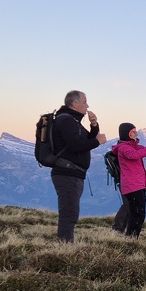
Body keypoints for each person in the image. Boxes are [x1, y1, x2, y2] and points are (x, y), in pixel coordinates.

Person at [50, 90, 107, 242]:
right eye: (84, 102)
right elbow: (75, 146)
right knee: (69, 214)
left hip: (71, 173)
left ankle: (65, 244)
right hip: (67, 173)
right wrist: (98, 141)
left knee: (70, 212)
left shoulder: (71, 120)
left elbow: (85, 140)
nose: (87, 105)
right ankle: (64, 247)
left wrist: (94, 125)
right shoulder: (66, 120)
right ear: (75, 104)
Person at [112, 123, 146, 238]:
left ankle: (131, 238)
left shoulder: (134, 146)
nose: (137, 134)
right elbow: (135, 155)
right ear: (129, 134)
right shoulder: (124, 148)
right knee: (137, 214)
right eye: (134, 132)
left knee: (138, 213)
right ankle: (131, 238)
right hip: (132, 186)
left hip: (137, 185)